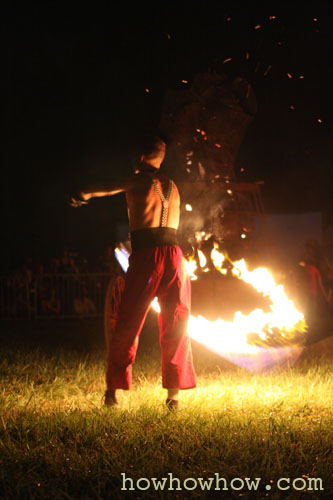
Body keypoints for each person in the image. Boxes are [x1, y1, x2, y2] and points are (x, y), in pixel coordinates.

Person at [69, 135, 196, 409]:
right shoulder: (173, 186)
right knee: (176, 321)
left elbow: (105, 187)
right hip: (175, 256)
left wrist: (82, 193)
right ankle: (174, 397)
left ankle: (112, 391)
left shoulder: (137, 180)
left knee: (127, 321)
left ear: (139, 157)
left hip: (149, 257)